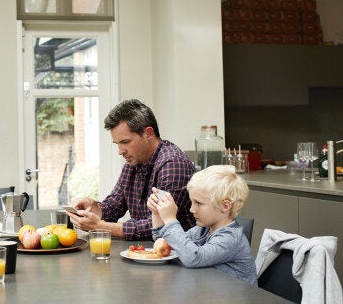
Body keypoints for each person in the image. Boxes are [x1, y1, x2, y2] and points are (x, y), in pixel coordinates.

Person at [68, 99, 196, 240]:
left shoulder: (173, 164)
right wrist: (92, 207)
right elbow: (114, 206)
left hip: (178, 255)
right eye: (117, 144)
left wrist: (100, 226)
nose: (120, 151)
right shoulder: (132, 164)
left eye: (125, 142)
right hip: (146, 252)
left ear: (148, 133)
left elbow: (158, 225)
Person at [147, 165, 257, 285]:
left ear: (224, 206)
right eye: (192, 202)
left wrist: (170, 219)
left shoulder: (230, 238)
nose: (192, 209)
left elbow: (194, 258)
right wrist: (157, 213)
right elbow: (165, 245)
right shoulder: (202, 230)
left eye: (198, 203)